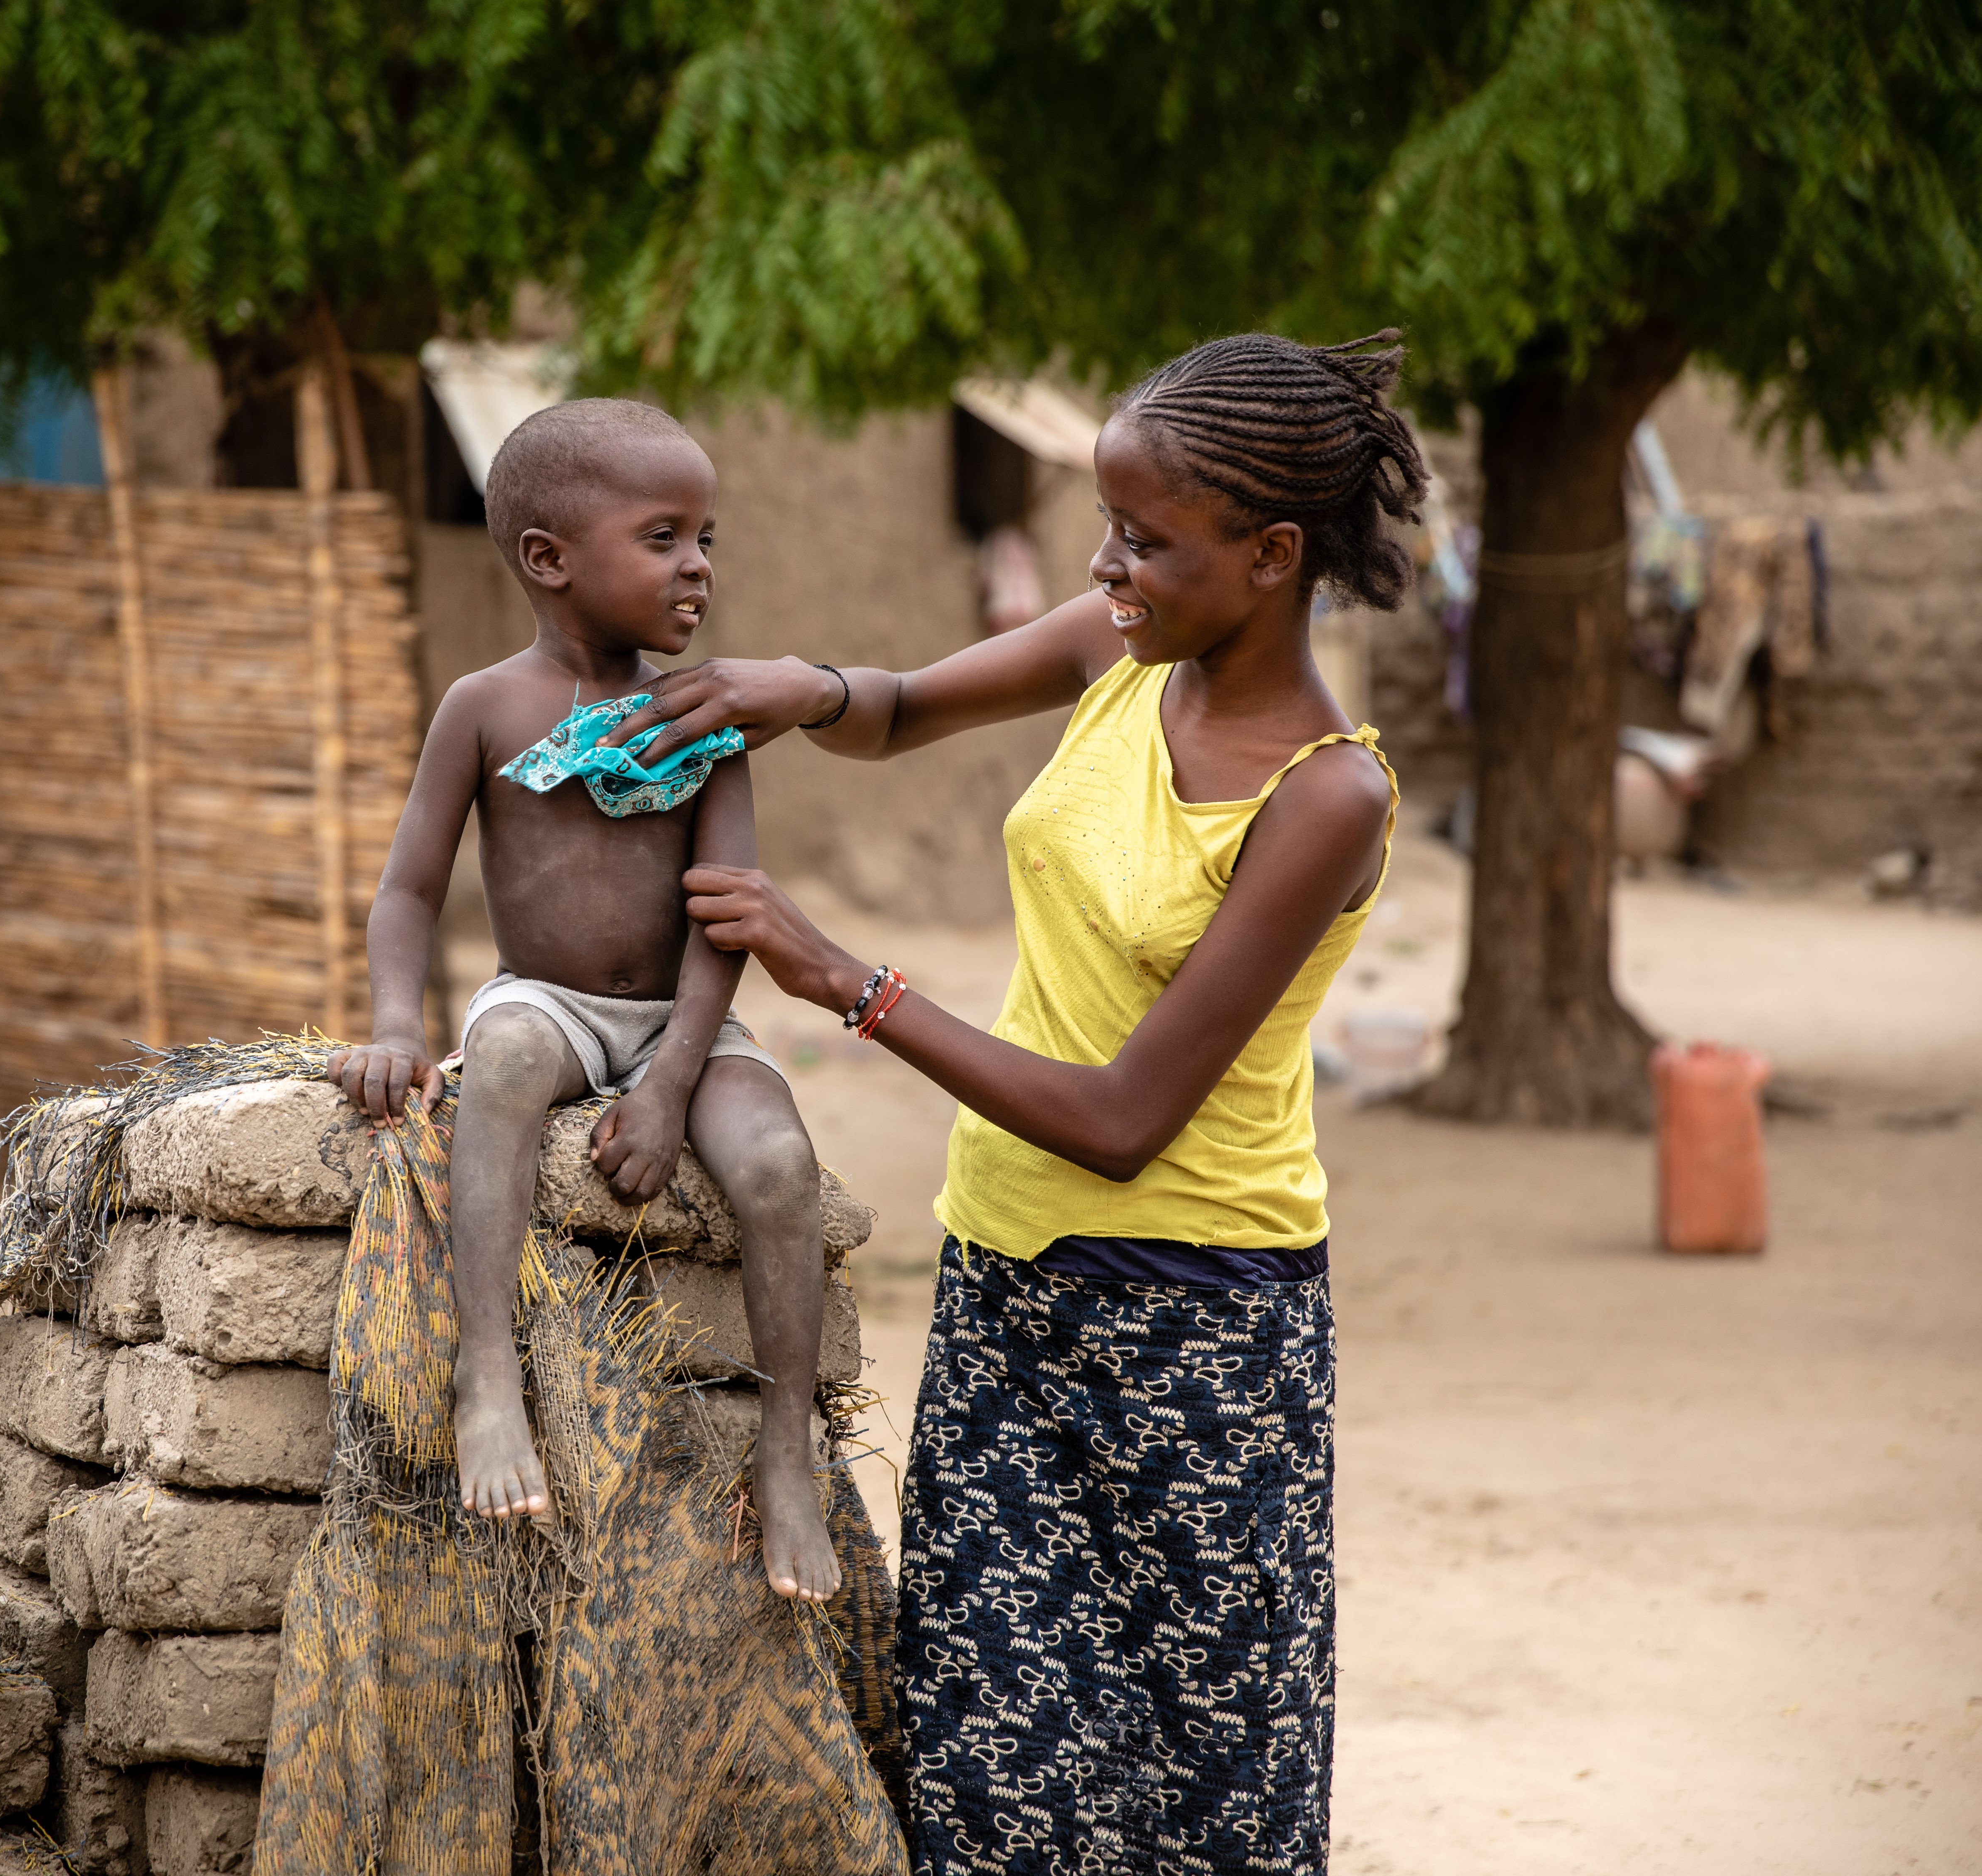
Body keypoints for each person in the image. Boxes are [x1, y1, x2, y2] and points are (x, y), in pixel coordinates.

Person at [603, 332, 1424, 1870]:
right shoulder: (1125, 649)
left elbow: (1125, 1120)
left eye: (1146, 540)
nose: (1108, 566)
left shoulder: (1327, 793)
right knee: (989, 1774)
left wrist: (846, 978)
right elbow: (905, 706)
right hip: (1007, 1287)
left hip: (1207, 1335)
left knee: (1205, 1798)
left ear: (1272, 554)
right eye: (1104, 528)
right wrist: (804, 689)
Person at [324, 397, 842, 1602]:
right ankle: (489, 1375)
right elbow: (406, 893)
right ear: (550, 560)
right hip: (546, 1001)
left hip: (687, 1022)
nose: (700, 564)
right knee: (498, 1067)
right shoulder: (485, 707)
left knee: (776, 1169)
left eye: (708, 536)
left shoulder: (706, 716)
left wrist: (669, 1085)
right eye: (664, 537)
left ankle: (785, 1450)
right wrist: (399, 1026)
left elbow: (726, 918)